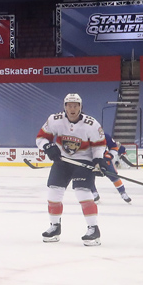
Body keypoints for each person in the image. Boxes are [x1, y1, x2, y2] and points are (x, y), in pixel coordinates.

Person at [36, 93, 110, 246]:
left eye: (76, 105)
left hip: (83, 161)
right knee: (53, 193)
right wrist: (48, 146)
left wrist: (98, 161)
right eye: (69, 105)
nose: (72, 108)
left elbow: (99, 145)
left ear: (81, 107)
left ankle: (93, 229)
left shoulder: (91, 124)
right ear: (64, 107)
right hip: (62, 161)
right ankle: (55, 227)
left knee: (82, 192)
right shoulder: (54, 120)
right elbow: (41, 138)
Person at [92, 131, 132, 204]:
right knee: (87, 176)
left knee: (114, 176)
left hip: (104, 159)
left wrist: (109, 156)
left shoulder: (105, 136)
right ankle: (94, 193)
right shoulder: (84, 134)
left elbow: (113, 146)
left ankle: (122, 192)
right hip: (90, 159)